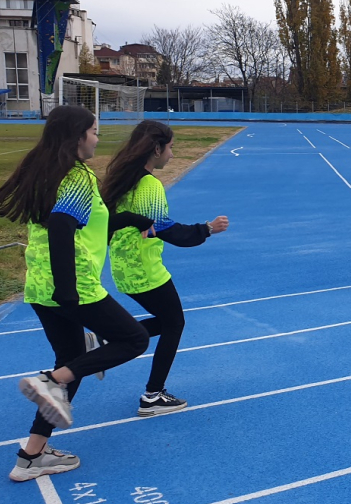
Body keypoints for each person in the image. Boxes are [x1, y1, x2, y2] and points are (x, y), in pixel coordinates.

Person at [0, 105, 153, 482]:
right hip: (74, 286)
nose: (98, 139)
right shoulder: (78, 176)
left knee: (73, 359)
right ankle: (50, 380)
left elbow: (86, 225)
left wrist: (132, 220)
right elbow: (61, 226)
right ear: (78, 135)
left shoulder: (47, 173)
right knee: (132, 339)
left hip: (39, 286)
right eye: (95, 132)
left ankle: (31, 455)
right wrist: (69, 290)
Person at [101, 120, 229, 417]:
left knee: (169, 320)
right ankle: (153, 395)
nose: (172, 155)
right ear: (156, 148)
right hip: (144, 267)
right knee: (175, 323)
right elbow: (165, 229)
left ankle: (105, 339)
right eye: (170, 148)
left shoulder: (121, 179)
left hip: (122, 266)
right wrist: (207, 229)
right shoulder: (149, 185)